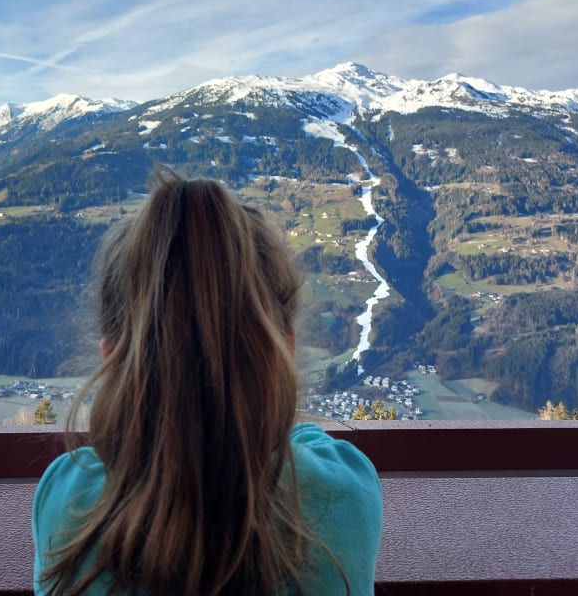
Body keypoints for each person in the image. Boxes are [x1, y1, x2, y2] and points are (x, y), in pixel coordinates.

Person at [33, 170, 382, 595]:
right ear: (284, 350)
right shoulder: (344, 492)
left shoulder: (67, 499)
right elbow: (300, 442)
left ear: (111, 359)